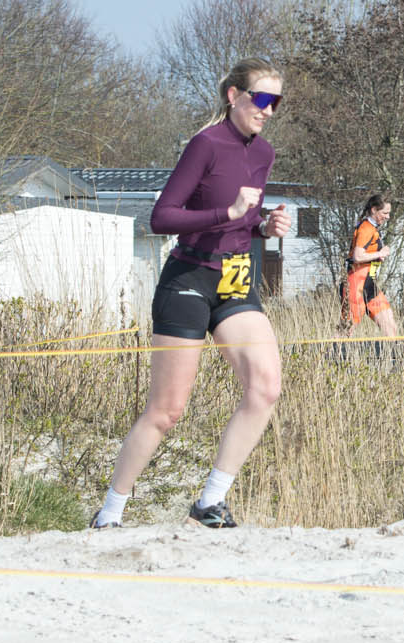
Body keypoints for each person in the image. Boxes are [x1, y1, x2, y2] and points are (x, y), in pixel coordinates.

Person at [93, 60, 292, 530]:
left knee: (265, 387)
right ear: (234, 96)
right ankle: (109, 514)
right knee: (167, 411)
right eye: (262, 99)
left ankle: (210, 502)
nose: (268, 110)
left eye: (276, 103)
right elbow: (162, 217)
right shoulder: (206, 144)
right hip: (188, 278)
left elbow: (244, 221)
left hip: (235, 281)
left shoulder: (264, 153)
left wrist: (264, 226)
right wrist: (228, 212)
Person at [343, 194, 399, 338]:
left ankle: (393, 352)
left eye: (389, 213)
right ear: (374, 210)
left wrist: (379, 255)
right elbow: (357, 256)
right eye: (385, 213)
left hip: (368, 284)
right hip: (356, 284)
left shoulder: (373, 229)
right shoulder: (366, 228)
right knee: (346, 331)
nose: (388, 217)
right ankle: (327, 351)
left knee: (390, 326)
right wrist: (380, 253)